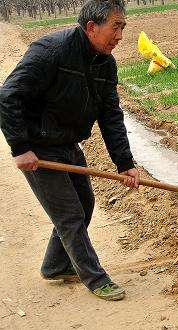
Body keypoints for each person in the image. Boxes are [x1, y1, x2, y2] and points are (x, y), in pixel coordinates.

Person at [0, 0, 139, 301]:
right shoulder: (51, 51)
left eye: (123, 27)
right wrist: (20, 148)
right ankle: (95, 278)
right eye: (116, 27)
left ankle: (54, 266)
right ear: (92, 27)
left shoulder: (105, 62)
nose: (120, 35)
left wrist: (124, 162)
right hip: (37, 145)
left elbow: (110, 114)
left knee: (85, 203)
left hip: (66, 142)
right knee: (70, 215)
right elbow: (8, 94)